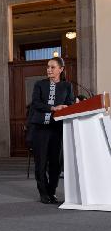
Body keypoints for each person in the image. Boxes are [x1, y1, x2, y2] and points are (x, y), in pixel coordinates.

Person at [29, 56, 74, 204]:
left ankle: (51, 191)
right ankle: (43, 193)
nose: (49, 69)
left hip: (56, 129)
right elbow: (35, 103)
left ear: (61, 69)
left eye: (52, 67)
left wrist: (67, 107)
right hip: (40, 128)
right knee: (41, 162)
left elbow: (70, 104)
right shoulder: (39, 84)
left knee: (55, 163)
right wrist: (53, 108)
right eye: (48, 67)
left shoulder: (67, 86)